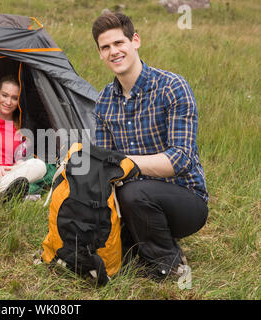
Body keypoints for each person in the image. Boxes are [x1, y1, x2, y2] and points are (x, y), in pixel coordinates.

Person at [92, 12, 208, 280]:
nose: (113, 52)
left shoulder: (172, 87)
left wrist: (124, 163)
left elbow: (180, 159)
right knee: (106, 248)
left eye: (119, 43)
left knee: (134, 192)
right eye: (105, 47)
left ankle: (171, 265)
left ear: (135, 41)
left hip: (185, 199)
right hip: (131, 201)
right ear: (100, 54)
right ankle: (140, 246)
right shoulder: (104, 102)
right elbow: (107, 163)